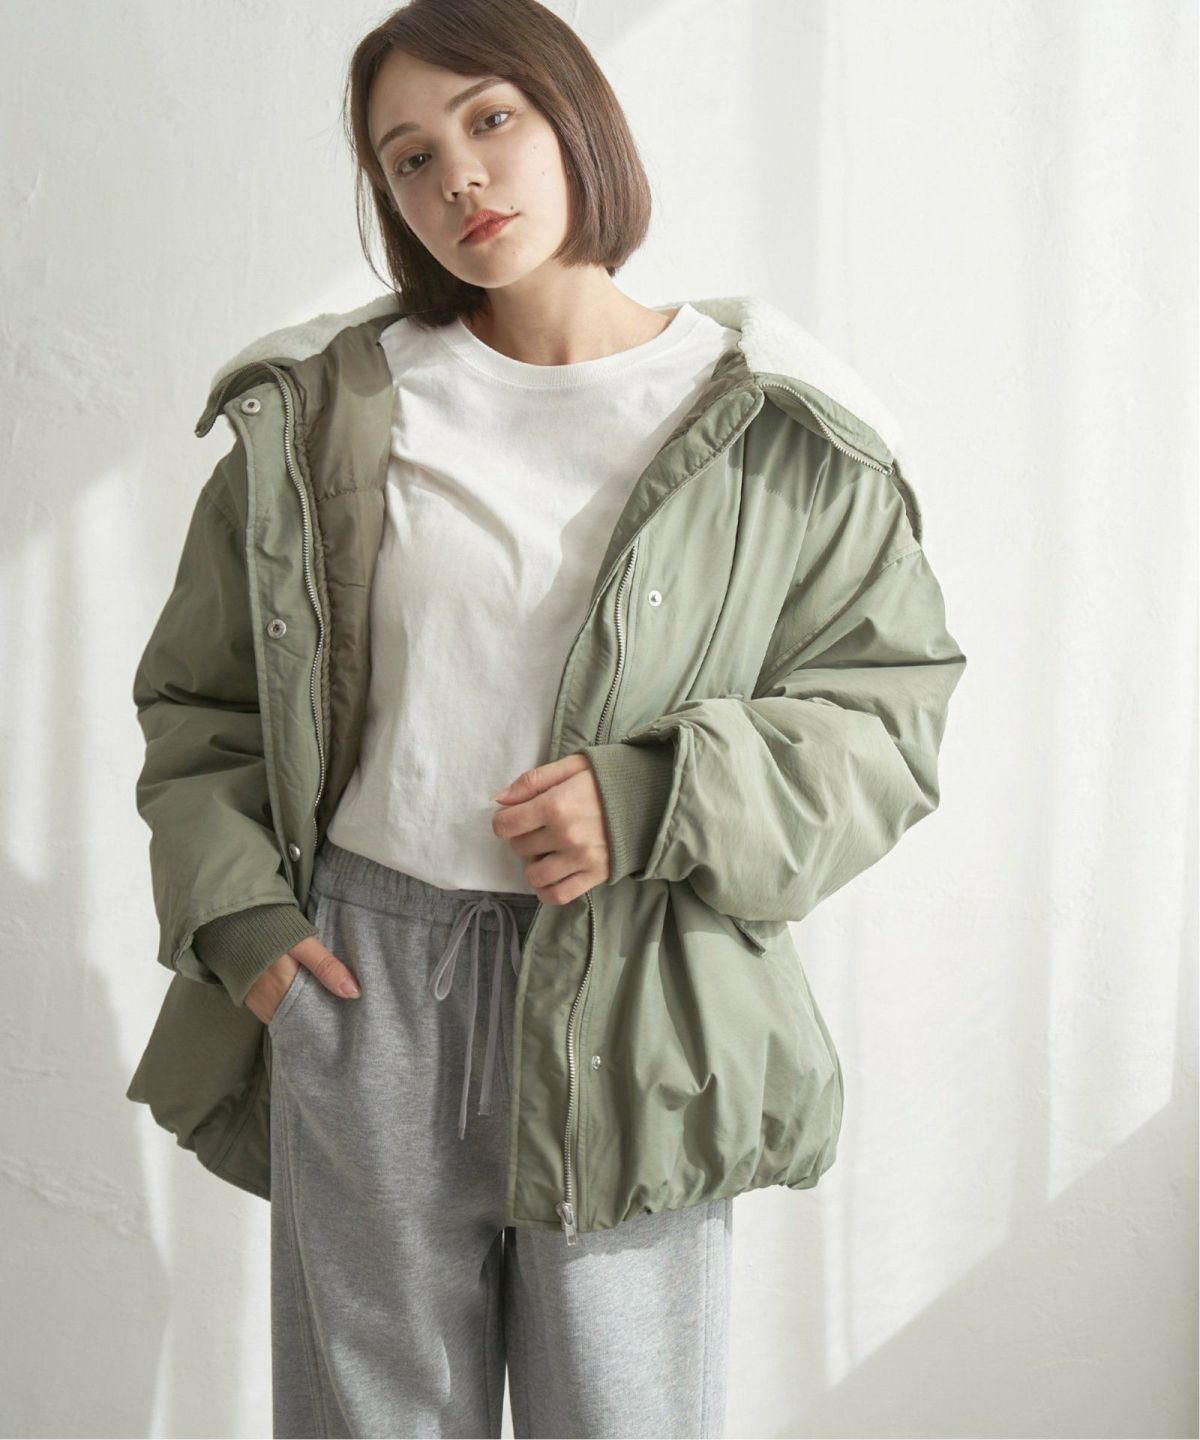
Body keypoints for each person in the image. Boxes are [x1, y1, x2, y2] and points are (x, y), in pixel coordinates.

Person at [125, 1, 968, 1435]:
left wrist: (653, 795)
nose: (457, 174)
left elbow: (886, 715)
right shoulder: (324, 412)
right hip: (363, 978)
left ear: (577, 116)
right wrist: (246, 923)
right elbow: (200, 698)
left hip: (634, 982)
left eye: (490, 118)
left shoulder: (779, 424)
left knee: (624, 1416)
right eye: (408, 157)